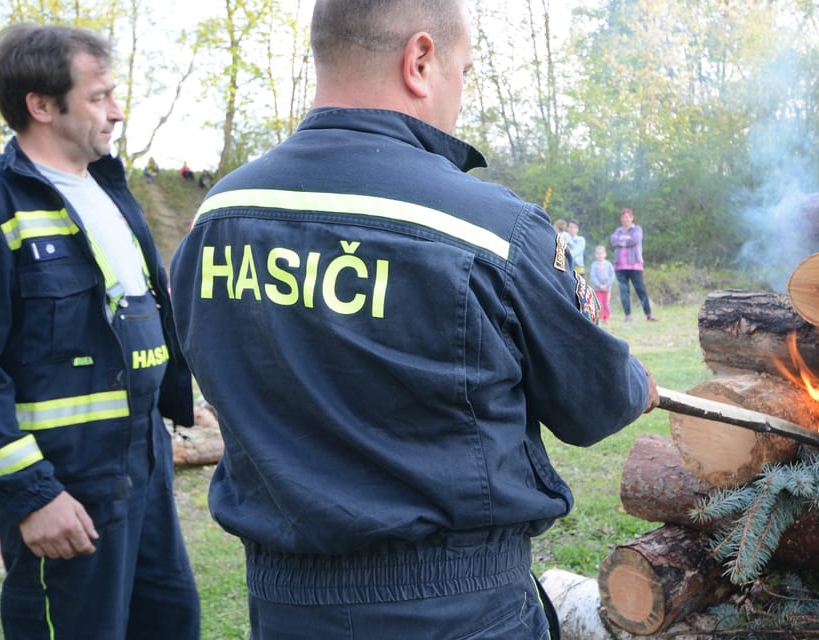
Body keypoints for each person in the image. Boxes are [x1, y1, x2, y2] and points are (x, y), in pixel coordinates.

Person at [170, 1, 658, 638]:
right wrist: (636, 383)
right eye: (464, 70)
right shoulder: (490, 228)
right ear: (421, 60)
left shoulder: (219, 214)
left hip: (284, 609)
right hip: (454, 609)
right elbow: (592, 403)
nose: (460, 93)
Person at [0, 24, 200, 639]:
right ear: (42, 106)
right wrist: (30, 492)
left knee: (170, 623)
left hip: (144, 462)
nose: (117, 111)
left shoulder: (109, 189)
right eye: (99, 96)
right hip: (64, 481)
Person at [611, 207, 657, 322]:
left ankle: (648, 314)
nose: (625, 219)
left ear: (632, 218)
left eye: (627, 217)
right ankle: (628, 315)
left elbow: (635, 240)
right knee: (624, 291)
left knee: (640, 290)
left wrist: (621, 242)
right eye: (623, 217)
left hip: (635, 266)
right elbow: (613, 241)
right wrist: (624, 239)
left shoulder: (637, 229)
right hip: (620, 266)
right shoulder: (618, 231)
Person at [589, 245, 616, 324]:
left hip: (607, 289)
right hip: (598, 289)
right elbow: (593, 276)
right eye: (598, 254)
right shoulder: (594, 265)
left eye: (601, 253)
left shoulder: (608, 264)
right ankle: (599, 318)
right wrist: (599, 285)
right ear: (595, 255)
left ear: (605, 254)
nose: (600, 255)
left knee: (606, 303)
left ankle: (606, 317)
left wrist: (607, 285)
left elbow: (612, 275)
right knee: (598, 303)